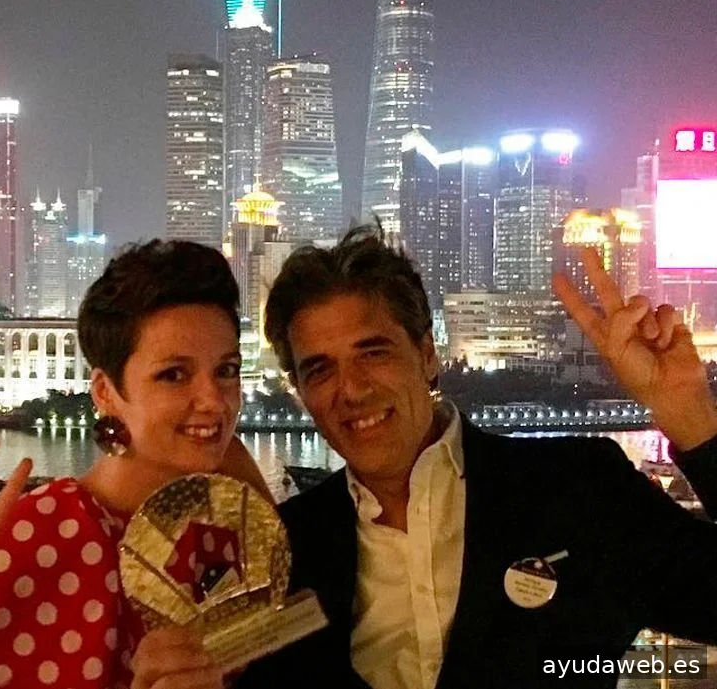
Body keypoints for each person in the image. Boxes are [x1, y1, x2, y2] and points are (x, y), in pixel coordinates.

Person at [133, 223, 717, 689]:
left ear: (427, 353)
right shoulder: (285, 552)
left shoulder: (575, 490)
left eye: (374, 352)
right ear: (301, 392)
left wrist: (692, 418)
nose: (351, 389)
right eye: (320, 369)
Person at [0, 239, 269, 689]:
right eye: (174, 375)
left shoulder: (231, 520)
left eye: (226, 370)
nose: (214, 400)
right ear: (105, 393)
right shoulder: (51, 531)